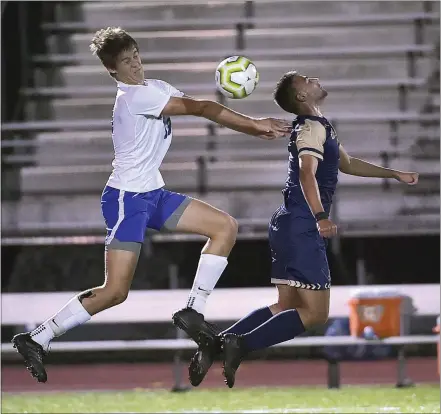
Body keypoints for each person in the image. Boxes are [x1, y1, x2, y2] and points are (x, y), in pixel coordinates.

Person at [11, 27, 291, 383]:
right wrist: (254, 125)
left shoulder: (155, 88)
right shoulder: (132, 98)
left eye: (136, 56)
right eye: (126, 62)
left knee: (225, 227)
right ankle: (37, 337)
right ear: (112, 70)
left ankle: (193, 312)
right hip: (127, 199)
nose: (135, 65)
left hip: (153, 194)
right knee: (115, 292)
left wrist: (253, 127)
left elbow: (206, 107)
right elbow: (204, 107)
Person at [188, 71, 419, 388]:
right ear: (301, 97)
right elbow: (306, 174)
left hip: (287, 223)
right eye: (308, 80)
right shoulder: (311, 128)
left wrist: (392, 174)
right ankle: (239, 346)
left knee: (286, 307)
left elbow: (347, 163)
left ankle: (218, 343)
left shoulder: (318, 126)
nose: (315, 80)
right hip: (303, 224)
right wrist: (321, 215)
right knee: (314, 315)